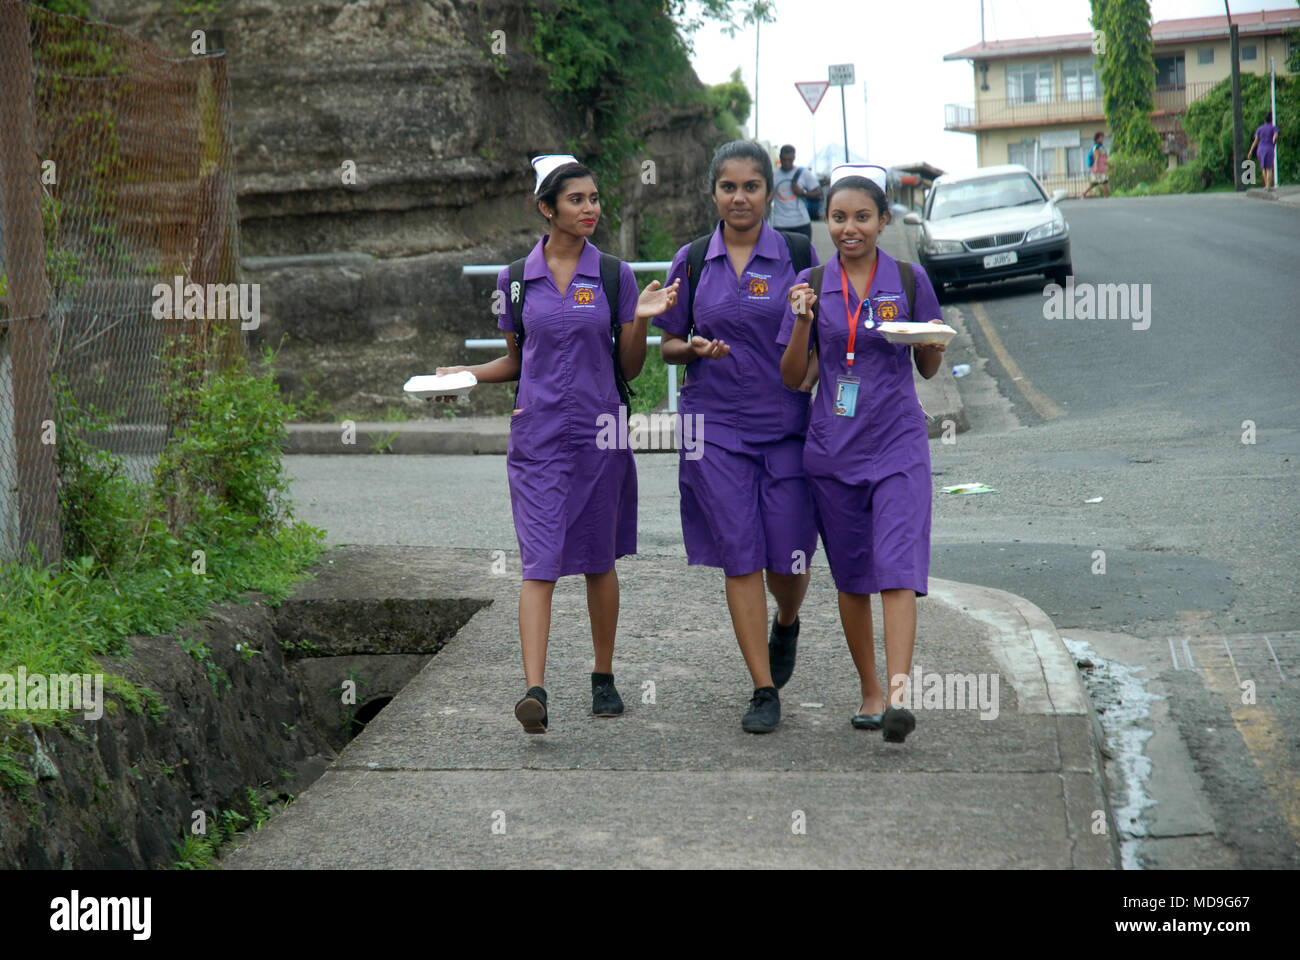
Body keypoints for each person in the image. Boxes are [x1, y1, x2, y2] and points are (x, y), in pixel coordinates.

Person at [437, 155, 679, 734]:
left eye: (594, 198)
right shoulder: (514, 281)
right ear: (547, 209)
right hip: (539, 436)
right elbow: (518, 362)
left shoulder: (615, 275)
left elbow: (630, 367)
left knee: (598, 558)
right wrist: (465, 375)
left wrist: (640, 319)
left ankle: (603, 676)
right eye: (577, 200)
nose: (590, 209)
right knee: (538, 561)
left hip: (601, 434)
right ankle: (534, 690)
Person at [653, 140, 821, 734]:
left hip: (787, 428)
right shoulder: (693, 260)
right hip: (715, 428)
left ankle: (789, 621)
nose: (740, 197)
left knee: (791, 552)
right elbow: (669, 341)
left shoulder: (799, 257)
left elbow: (820, 343)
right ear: (714, 193)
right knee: (741, 554)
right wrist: (690, 346)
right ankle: (762, 687)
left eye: (752, 186)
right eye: (729, 187)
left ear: (771, 192)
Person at [777, 164, 947, 744]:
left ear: (882, 220)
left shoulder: (907, 276)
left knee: (898, 568)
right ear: (826, 221)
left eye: (862, 217)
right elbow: (794, 376)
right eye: (839, 217)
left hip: (898, 442)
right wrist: (801, 320)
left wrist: (928, 343)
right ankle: (871, 692)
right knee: (852, 576)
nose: (850, 228)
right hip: (832, 450)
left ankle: (900, 694)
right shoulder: (811, 280)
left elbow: (927, 365)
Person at [771, 144, 822, 238]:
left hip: (801, 223)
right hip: (779, 224)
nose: (786, 163)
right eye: (784, 160)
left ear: (794, 158)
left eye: (789, 160)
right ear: (780, 158)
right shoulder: (773, 175)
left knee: (803, 252)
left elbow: (818, 193)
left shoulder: (803, 173)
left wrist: (803, 192)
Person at [1248, 111, 1279, 190]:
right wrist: (1274, 143)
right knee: (1269, 168)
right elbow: (1275, 137)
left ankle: (1266, 185)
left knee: (1263, 168)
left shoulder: (1260, 128)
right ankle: (1269, 186)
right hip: (1269, 148)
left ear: (1264, 120)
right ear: (1271, 120)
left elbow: (1256, 140)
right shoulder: (1273, 128)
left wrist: (1251, 151)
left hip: (1260, 149)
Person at [1081, 132, 1109, 199]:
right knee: (1104, 182)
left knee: (1094, 183)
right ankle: (1106, 197)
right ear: (1097, 139)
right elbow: (1096, 157)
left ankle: (1083, 194)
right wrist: (1096, 166)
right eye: (1101, 137)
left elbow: (1104, 158)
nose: (1102, 139)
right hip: (1099, 168)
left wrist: (1109, 164)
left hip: (1102, 167)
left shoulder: (1101, 147)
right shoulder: (1096, 147)